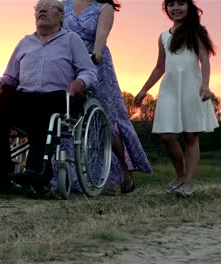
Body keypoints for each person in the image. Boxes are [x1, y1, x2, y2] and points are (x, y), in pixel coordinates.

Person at [0, 0, 97, 191]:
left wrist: (80, 82)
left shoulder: (71, 39)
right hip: (26, 97)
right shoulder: (25, 42)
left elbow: (89, 71)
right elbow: (10, 76)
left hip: (58, 98)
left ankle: (37, 169)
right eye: (38, 7)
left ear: (60, 16)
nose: (42, 9)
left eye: (48, 6)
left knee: (42, 107)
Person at [62, 0, 152, 194]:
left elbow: (101, 36)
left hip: (94, 63)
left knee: (108, 121)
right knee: (68, 119)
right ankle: (70, 173)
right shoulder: (64, 4)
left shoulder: (103, 7)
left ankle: (125, 171)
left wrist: (97, 52)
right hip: (67, 64)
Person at [134, 0, 218, 198]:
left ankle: (188, 184)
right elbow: (160, 67)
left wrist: (205, 85)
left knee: (191, 136)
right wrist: (143, 90)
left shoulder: (196, 31)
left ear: (189, 7)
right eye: (171, 5)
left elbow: (205, 60)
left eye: (181, 3)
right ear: (166, 10)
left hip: (192, 89)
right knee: (166, 136)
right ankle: (180, 174)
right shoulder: (163, 36)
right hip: (170, 90)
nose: (176, 8)